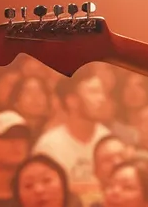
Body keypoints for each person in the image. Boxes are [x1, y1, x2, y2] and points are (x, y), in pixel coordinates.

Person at [32, 67, 111, 205]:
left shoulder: (108, 141)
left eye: (102, 92)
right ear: (72, 101)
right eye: (93, 92)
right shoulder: (49, 146)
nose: (102, 98)